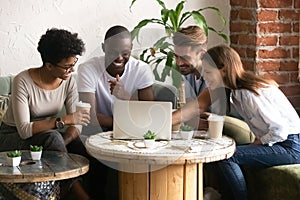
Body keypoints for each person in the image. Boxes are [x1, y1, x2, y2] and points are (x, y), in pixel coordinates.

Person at [173, 45, 300, 200]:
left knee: (228, 156)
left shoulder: (248, 93)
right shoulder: (236, 93)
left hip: (291, 146)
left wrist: (259, 142)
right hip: (282, 143)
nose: (205, 77)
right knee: (220, 155)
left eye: (208, 72)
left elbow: (280, 130)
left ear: (223, 70)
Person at [0, 28, 92, 200]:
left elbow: (76, 123)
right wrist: (63, 121)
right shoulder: (23, 81)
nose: (72, 70)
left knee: (82, 144)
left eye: (74, 64)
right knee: (53, 138)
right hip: (11, 136)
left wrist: (60, 145)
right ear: (49, 65)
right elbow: (24, 130)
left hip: (47, 136)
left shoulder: (68, 81)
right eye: (67, 66)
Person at [77, 25, 154, 133]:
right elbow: (90, 117)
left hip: (132, 129)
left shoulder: (141, 69)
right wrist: (124, 125)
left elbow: (148, 112)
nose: (119, 58)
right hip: (98, 130)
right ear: (104, 48)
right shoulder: (88, 69)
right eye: (113, 52)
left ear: (131, 47)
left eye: (125, 53)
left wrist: (125, 95)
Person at [173, 25, 207, 101]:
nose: (179, 63)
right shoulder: (187, 76)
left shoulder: (216, 78)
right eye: (176, 56)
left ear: (202, 54)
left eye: (185, 58)